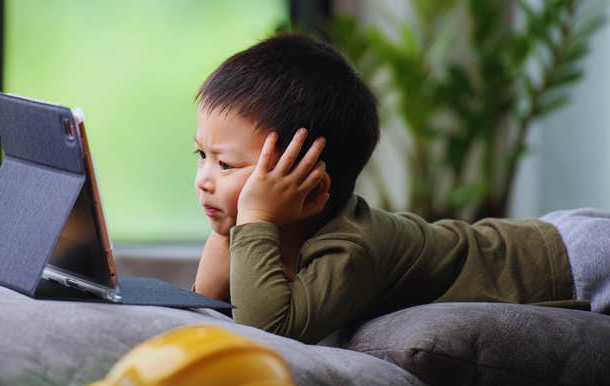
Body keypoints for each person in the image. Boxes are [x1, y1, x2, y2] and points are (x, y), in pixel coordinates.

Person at [191, 33, 610, 344]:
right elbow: (203, 313)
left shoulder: (351, 248)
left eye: (225, 164)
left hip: (572, 262)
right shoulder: (270, 230)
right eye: (201, 156)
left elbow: (266, 331)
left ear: (311, 185)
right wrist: (229, 230)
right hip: (552, 239)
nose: (204, 179)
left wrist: (253, 218)